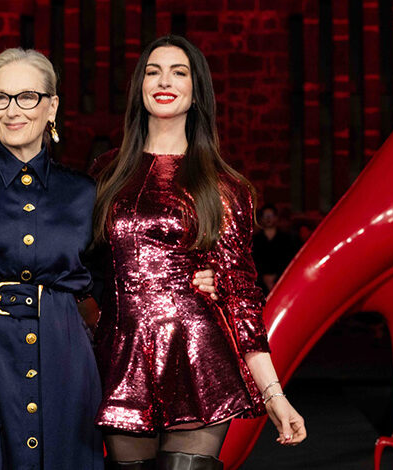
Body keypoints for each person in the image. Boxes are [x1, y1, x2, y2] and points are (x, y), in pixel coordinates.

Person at [0, 46, 216, 469]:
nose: (13, 110)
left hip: (66, 363)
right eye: (1, 97)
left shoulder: (84, 192)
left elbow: (119, 275)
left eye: (27, 97)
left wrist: (194, 278)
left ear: (51, 107)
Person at [91, 35, 306, 468]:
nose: (164, 81)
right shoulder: (106, 173)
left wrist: (275, 395)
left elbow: (243, 300)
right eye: (153, 72)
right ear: (139, 86)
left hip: (195, 353)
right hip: (121, 355)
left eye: (178, 72)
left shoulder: (225, 185)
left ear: (196, 90)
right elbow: (85, 267)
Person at [251, 204, 295, 293]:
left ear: (276, 218)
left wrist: (276, 277)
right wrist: (263, 277)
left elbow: (289, 261)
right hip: (260, 286)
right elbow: (253, 262)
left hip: (282, 283)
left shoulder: (286, 239)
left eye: (271, 216)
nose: (268, 219)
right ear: (261, 219)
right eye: (265, 216)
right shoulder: (255, 240)